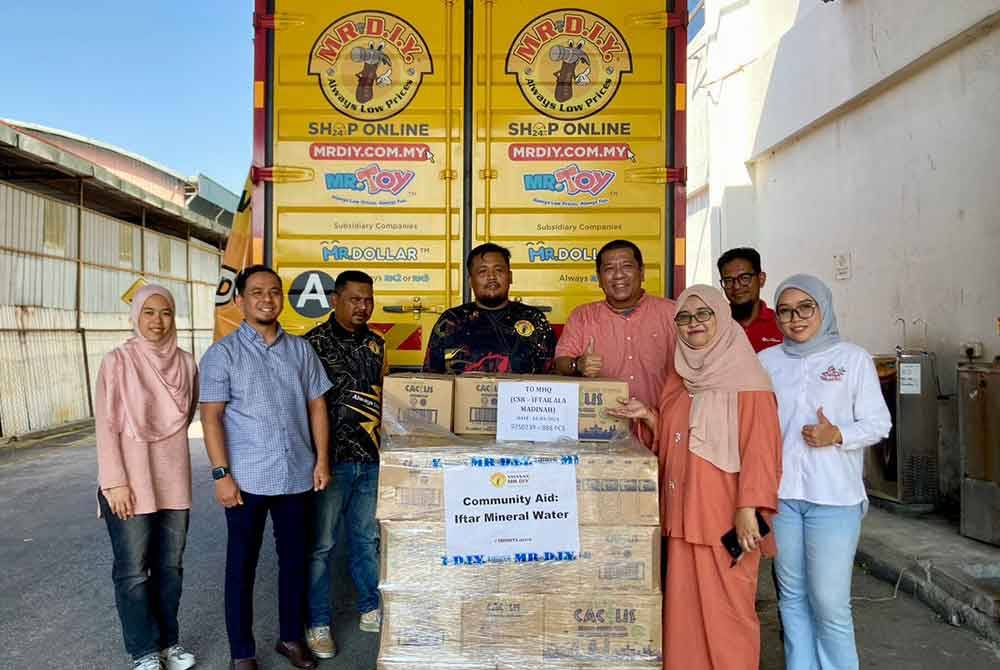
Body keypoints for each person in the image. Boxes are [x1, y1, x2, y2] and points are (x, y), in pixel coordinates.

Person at [608, 285, 782, 670]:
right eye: (684, 317)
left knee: (728, 616)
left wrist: (748, 508)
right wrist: (650, 417)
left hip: (725, 517)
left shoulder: (748, 381)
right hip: (684, 515)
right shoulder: (680, 378)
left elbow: (762, 451)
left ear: (722, 318)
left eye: (703, 314)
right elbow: (677, 440)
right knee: (683, 618)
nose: (693, 324)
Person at [199, 265, 333, 670]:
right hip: (246, 479)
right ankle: (242, 652)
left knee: (294, 560)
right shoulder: (222, 354)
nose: (266, 299)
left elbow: (317, 406)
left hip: (296, 473)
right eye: (256, 292)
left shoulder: (300, 351)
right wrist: (222, 475)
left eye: (274, 292)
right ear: (239, 300)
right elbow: (211, 418)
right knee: (242, 565)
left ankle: (291, 638)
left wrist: (322, 460)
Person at [759, 275, 891, 670]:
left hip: (835, 499)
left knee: (830, 603)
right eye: (785, 310)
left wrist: (838, 434)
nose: (795, 318)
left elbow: (879, 423)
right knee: (792, 599)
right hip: (782, 497)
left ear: (824, 308)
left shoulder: (852, 359)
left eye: (805, 308)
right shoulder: (766, 362)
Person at [96, 284, 199, 670]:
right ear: (136, 316)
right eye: (149, 312)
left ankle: (169, 644)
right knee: (133, 571)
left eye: (166, 312)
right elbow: (106, 428)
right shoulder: (117, 362)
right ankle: (143, 652)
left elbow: (187, 414)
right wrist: (114, 483)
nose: (157, 321)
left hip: (173, 480)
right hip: (129, 483)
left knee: (170, 568)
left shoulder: (186, 363)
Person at [304, 271, 386, 658]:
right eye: (354, 299)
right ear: (335, 299)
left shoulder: (376, 344)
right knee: (320, 546)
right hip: (328, 463)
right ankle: (317, 622)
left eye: (368, 300)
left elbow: (383, 397)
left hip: (369, 461)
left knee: (366, 540)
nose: (362, 307)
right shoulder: (310, 345)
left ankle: (370, 607)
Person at [553, 239, 677, 408]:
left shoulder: (672, 313)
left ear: (641, 273)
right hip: (603, 426)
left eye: (627, 266)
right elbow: (560, 363)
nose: (619, 275)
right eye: (609, 269)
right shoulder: (582, 316)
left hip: (661, 426)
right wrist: (577, 364)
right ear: (599, 278)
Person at [423, 242, 556, 374]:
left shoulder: (533, 318)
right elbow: (432, 377)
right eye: (482, 271)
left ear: (510, 277)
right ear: (470, 281)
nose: (491, 277)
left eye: (498, 270)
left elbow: (551, 376)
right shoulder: (452, 320)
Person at [718, 247, 783, 352]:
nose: (737, 286)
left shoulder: (782, 324)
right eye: (728, 280)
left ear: (761, 279)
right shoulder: (715, 325)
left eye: (744, 278)